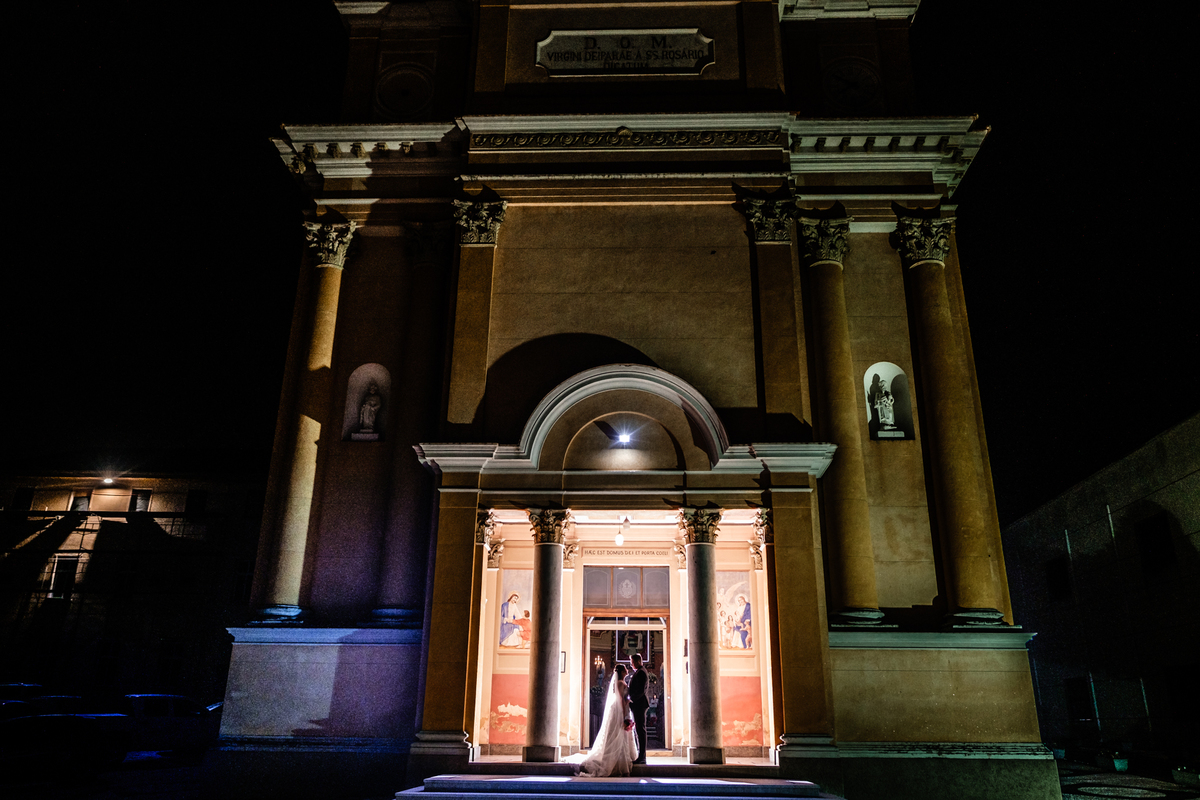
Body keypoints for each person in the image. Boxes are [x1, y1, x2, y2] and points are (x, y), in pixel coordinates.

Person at [567, 663, 638, 776]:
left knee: (620, 733)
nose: (627, 669)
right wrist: (625, 712)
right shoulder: (620, 683)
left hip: (620, 708)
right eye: (625, 669)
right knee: (618, 733)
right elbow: (620, 699)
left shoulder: (620, 682)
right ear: (621, 672)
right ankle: (617, 761)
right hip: (620, 709)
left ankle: (621, 758)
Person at [628, 654, 649, 764]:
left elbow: (640, 691)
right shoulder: (639, 672)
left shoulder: (641, 673)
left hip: (639, 704)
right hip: (638, 704)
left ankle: (642, 756)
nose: (631, 664)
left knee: (641, 730)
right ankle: (641, 755)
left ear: (637, 661)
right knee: (639, 730)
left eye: (632, 662)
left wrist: (631, 699)